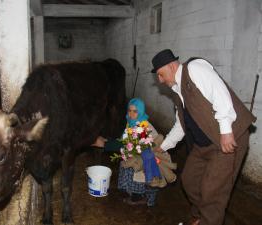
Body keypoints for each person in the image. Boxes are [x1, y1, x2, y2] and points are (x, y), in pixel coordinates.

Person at [151, 49, 256, 225]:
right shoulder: (178, 92)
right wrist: (163, 146)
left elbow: (220, 93)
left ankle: (209, 218)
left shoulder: (195, 69)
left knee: (212, 191)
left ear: (171, 66)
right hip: (204, 144)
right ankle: (203, 216)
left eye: (160, 75)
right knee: (189, 180)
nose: (160, 81)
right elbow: (181, 125)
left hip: (227, 140)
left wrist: (226, 131)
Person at [93, 98, 177, 207]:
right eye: (130, 110)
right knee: (129, 161)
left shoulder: (142, 127)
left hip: (150, 157)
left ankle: (140, 197)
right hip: (138, 152)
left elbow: (130, 145)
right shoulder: (131, 123)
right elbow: (125, 141)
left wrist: (106, 145)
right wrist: (108, 141)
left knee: (137, 166)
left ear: (141, 112)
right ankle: (132, 192)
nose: (131, 113)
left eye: (135, 111)